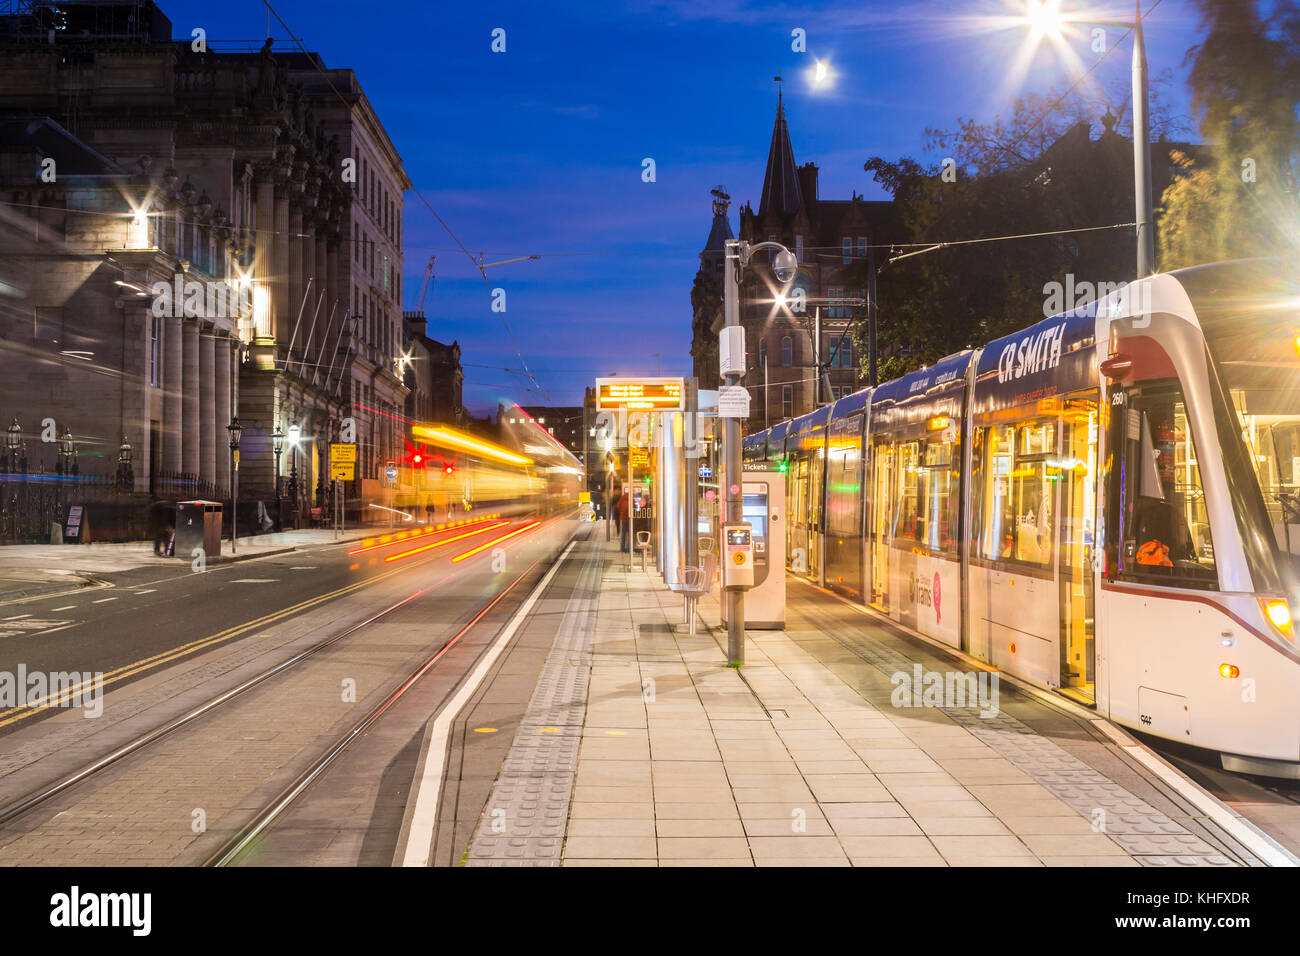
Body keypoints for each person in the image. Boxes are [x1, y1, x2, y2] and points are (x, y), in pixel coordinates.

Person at [618, 488, 630, 553]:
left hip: (623, 518)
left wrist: (622, 512)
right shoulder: (632, 498)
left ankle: (622, 549)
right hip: (630, 519)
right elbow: (636, 508)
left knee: (623, 534)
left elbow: (618, 506)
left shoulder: (622, 497)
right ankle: (629, 548)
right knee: (630, 534)